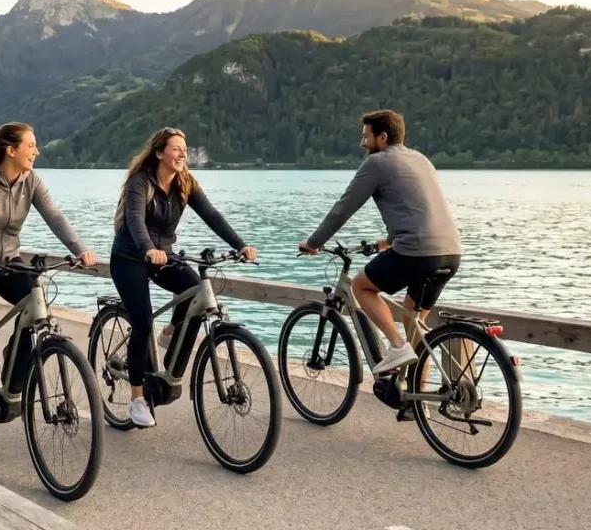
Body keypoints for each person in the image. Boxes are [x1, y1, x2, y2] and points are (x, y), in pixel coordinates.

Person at [0, 122, 97, 442]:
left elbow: (54, 215)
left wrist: (80, 249)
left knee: (36, 306)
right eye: (31, 146)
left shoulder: (32, 181)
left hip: (8, 261)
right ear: (11, 150)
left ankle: (11, 373)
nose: (37, 151)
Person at [110, 127, 258, 428]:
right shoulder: (142, 181)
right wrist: (149, 248)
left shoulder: (185, 182)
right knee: (141, 321)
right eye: (176, 148)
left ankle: (171, 333)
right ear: (159, 152)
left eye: (184, 148)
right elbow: (135, 219)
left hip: (163, 254)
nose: (182, 153)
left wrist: (239, 244)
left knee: (194, 289)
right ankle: (137, 398)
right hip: (130, 257)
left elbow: (212, 215)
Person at [298, 110, 462, 375]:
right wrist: (388, 240)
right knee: (415, 331)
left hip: (417, 252)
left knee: (361, 287)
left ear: (382, 137)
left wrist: (314, 243)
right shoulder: (420, 159)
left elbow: (343, 208)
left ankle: (396, 347)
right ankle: (415, 401)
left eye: (366, 137)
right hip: (451, 252)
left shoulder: (377, 163)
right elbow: (414, 206)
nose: (362, 143)